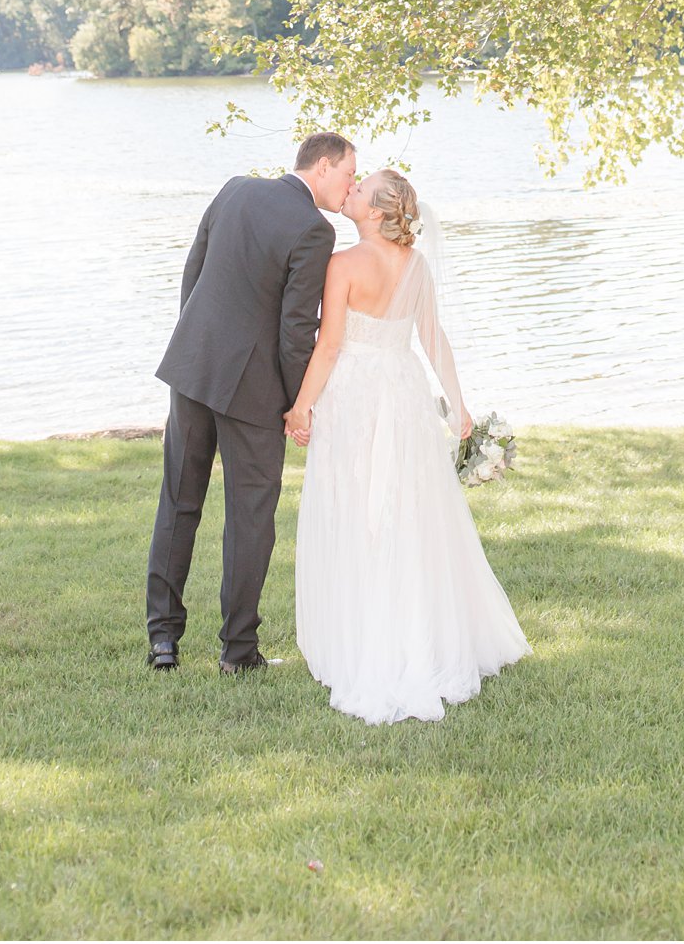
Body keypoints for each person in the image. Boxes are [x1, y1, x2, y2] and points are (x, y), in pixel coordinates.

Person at [287, 166, 530, 722]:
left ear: (375, 211)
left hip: (353, 395)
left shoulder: (342, 264)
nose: (349, 191)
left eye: (359, 188)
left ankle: (367, 634)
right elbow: (432, 338)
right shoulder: (415, 266)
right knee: (405, 509)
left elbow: (328, 348)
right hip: (402, 392)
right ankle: (409, 627)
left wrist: (301, 407)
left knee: (356, 508)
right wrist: (457, 404)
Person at [145, 131, 356, 673]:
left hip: (193, 367)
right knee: (250, 519)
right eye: (350, 174)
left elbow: (193, 272)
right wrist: (297, 404)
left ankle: (163, 640)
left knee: (179, 501)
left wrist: (196, 340)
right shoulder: (315, 229)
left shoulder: (235, 189)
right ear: (324, 165)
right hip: (255, 390)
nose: (351, 186)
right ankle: (238, 652)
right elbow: (294, 331)